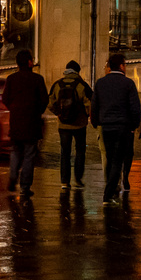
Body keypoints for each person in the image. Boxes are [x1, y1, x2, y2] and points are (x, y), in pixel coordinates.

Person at [90, 53, 141, 206]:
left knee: (110, 157)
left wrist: (96, 122)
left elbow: (94, 106)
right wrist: (133, 126)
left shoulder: (100, 83)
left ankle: (110, 189)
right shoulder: (128, 84)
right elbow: (135, 108)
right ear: (121, 66)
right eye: (125, 64)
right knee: (117, 161)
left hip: (106, 126)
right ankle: (108, 194)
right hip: (123, 127)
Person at [2, 49, 48, 197]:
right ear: (29, 62)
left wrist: (14, 109)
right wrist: (37, 111)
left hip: (16, 122)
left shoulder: (11, 79)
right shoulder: (37, 79)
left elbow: (5, 99)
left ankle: (13, 177)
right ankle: (25, 186)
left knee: (15, 151)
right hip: (32, 122)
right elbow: (44, 100)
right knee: (29, 154)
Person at [48, 60, 93, 191]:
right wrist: (85, 115)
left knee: (65, 153)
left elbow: (50, 102)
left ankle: (64, 182)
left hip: (63, 125)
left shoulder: (57, 84)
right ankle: (78, 179)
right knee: (80, 151)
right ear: (78, 72)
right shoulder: (82, 85)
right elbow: (89, 103)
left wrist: (59, 113)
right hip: (79, 125)